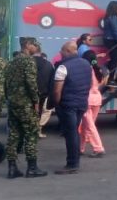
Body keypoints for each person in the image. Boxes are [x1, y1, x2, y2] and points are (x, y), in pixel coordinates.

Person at [3, 37, 47, 179]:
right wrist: (36, 100)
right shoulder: (29, 61)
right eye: (35, 45)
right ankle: (32, 168)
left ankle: (12, 168)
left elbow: (5, 83)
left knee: (14, 135)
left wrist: (9, 98)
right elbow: (31, 82)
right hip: (26, 104)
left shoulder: (12, 62)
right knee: (31, 134)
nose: (36, 48)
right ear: (27, 45)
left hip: (13, 103)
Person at [51, 41, 92, 174]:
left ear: (68, 51)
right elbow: (89, 83)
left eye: (62, 50)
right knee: (74, 131)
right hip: (82, 103)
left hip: (68, 105)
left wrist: (57, 103)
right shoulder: (86, 64)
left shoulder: (63, 67)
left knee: (71, 133)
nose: (60, 53)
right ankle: (75, 160)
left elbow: (57, 90)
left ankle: (72, 164)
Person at [78, 50, 106, 158]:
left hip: (87, 99)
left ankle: (98, 148)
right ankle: (80, 148)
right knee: (87, 125)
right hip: (97, 98)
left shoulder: (86, 70)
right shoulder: (98, 69)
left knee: (89, 125)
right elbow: (102, 83)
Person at [32, 41, 55, 139]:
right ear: (41, 52)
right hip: (43, 94)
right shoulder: (49, 65)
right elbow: (52, 81)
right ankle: (37, 131)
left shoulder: (26, 63)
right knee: (39, 113)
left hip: (27, 94)